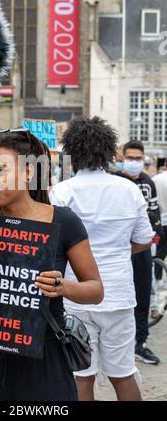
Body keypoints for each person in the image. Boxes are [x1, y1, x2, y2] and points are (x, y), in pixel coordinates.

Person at [0, 129, 103, 401]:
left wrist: (63, 287)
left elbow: (95, 290)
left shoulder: (63, 221)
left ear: (27, 173)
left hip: (44, 357)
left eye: (1, 171)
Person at [50, 117, 154, 401]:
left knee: (81, 376)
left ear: (72, 151)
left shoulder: (61, 192)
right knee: (123, 373)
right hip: (118, 293)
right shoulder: (128, 189)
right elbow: (144, 240)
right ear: (110, 151)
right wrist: (119, 250)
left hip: (75, 293)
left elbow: (50, 243)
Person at [114, 140, 161, 365]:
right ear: (122, 158)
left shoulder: (148, 183)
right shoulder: (114, 181)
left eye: (138, 158)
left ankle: (140, 343)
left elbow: (154, 215)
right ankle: (114, 343)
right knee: (116, 296)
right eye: (130, 158)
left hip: (142, 248)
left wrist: (154, 236)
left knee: (142, 296)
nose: (134, 162)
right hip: (118, 248)